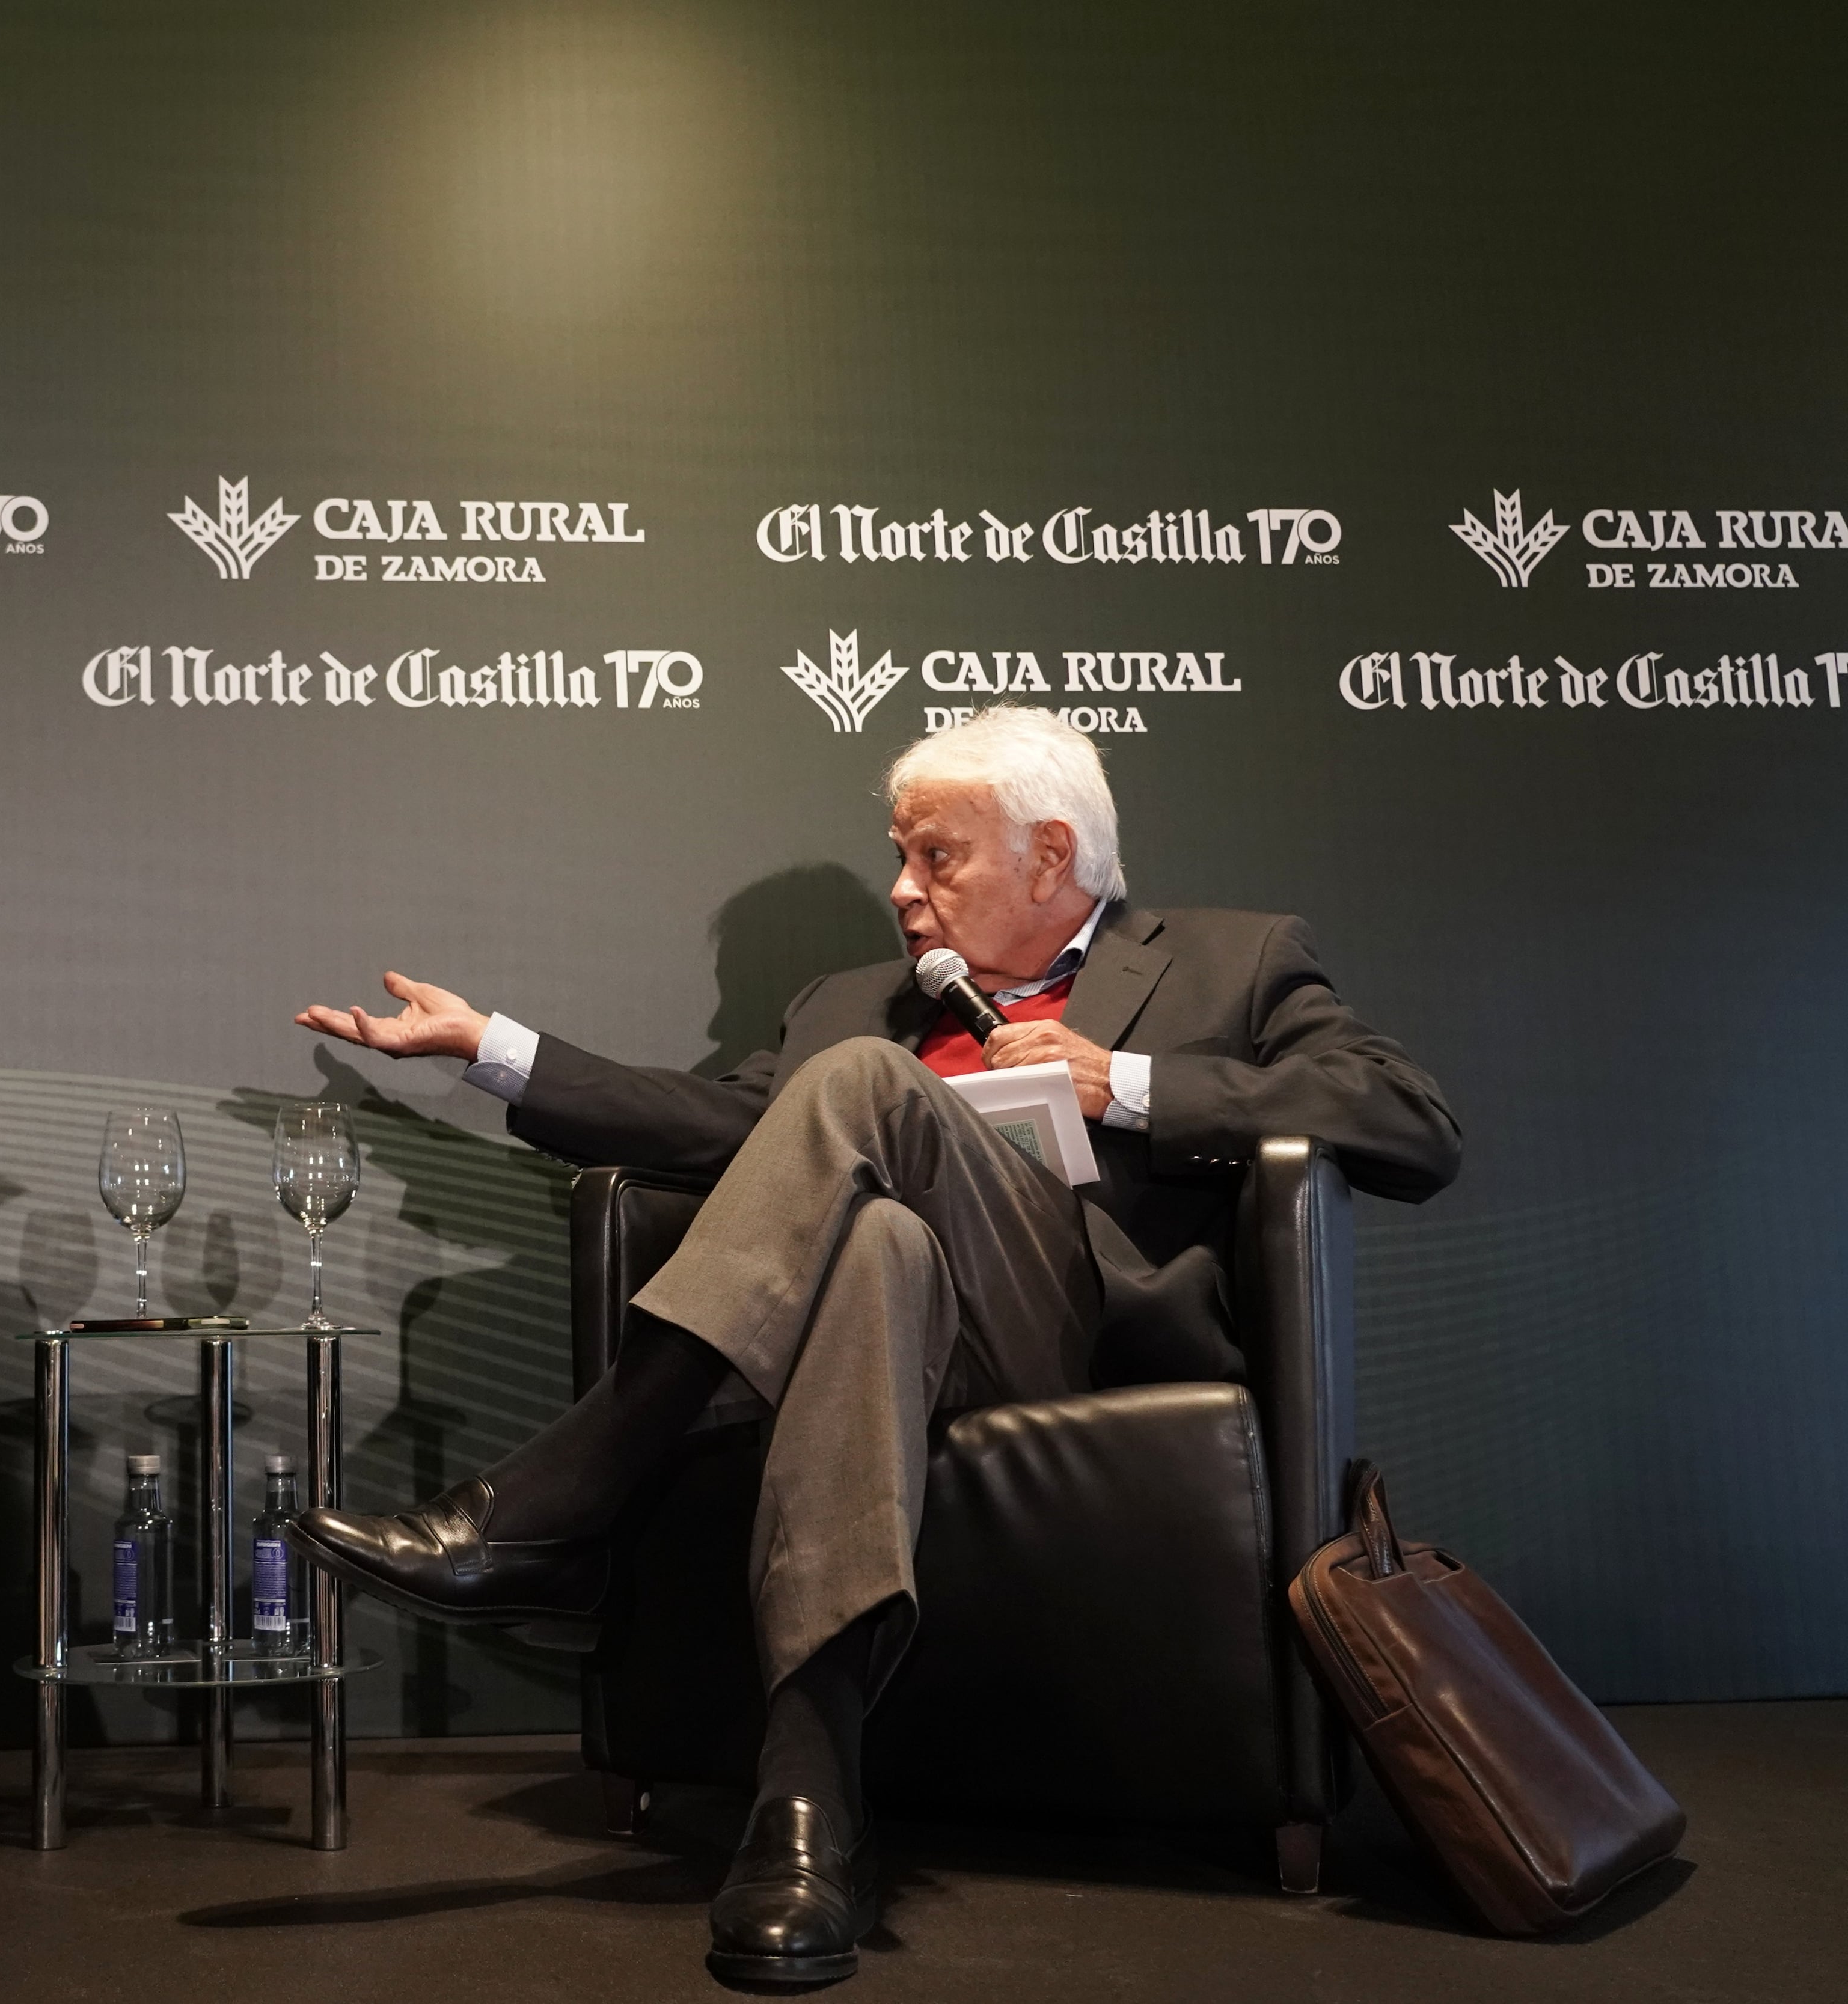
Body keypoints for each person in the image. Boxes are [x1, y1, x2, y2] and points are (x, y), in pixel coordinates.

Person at [288, 705, 1460, 1986]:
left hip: (1082, 1339)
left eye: (935, 858)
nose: (899, 890)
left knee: (860, 1084)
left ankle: (566, 1495)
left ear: (1051, 853)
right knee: (875, 1253)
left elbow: (1407, 1117)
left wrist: (1116, 1082)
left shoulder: (1231, 962)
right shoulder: (849, 1002)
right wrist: (491, 1050)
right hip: (894, 1335)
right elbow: (707, 1131)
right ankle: (806, 1815)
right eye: (897, 855)